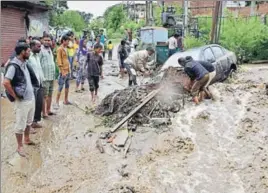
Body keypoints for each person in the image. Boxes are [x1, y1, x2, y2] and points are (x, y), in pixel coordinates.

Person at [3, 42, 39, 157]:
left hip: (30, 98)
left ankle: (27, 139)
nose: (29, 52)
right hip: (22, 101)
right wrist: (15, 96)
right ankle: (19, 147)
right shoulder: (14, 66)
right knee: (20, 125)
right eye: (28, 51)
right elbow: (5, 82)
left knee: (29, 122)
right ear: (22, 52)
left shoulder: (24, 63)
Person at [28, 40, 45, 128]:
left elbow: (39, 70)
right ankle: (29, 125)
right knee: (31, 105)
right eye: (38, 46)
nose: (40, 48)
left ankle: (35, 122)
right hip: (32, 85)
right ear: (32, 46)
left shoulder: (37, 56)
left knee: (39, 103)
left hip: (39, 83)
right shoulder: (28, 57)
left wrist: (42, 80)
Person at [40, 34, 56, 117]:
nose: (47, 41)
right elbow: (38, 64)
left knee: (50, 94)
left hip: (51, 77)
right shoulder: (40, 50)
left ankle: (48, 110)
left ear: (51, 41)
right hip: (44, 77)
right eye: (45, 40)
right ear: (42, 40)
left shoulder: (50, 49)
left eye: (48, 40)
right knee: (44, 96)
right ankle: (44, 113)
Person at [55, 35, 71, 108]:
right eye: (67, 41)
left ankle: (66, 100)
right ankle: (56, 102)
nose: (68, 42)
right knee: (60, 86)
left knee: (67, 86)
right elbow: (59, 61)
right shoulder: (60, 49)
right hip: (63, 71)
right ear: (63, 41)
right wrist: (62, 71)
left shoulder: (66, 48)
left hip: (68, 70)